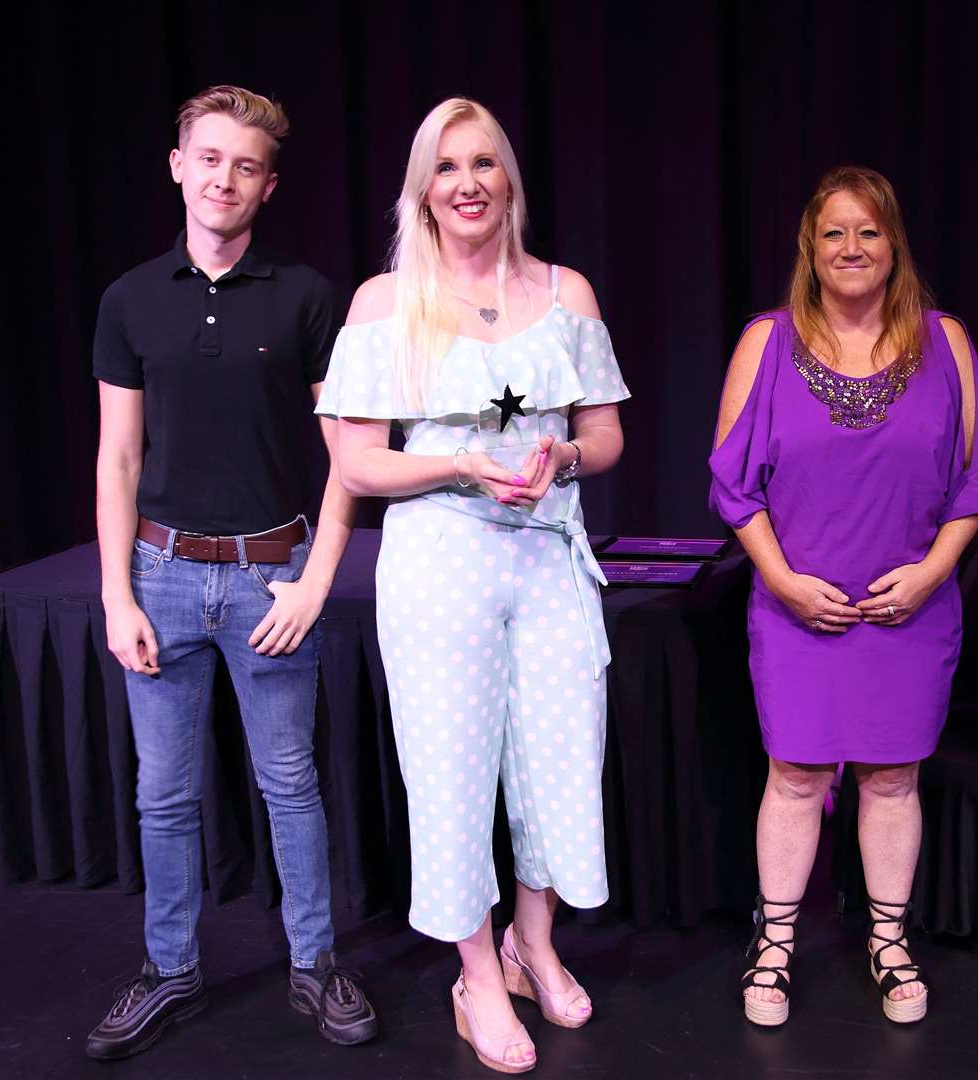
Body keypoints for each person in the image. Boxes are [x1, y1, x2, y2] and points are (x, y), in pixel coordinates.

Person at [319, 97, 627, 1074]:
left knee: (562, 760)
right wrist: (457, 468)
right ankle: (475, 981)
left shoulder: (566, 291)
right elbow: (359, 466)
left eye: (484, 164)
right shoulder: (382, 304)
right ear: (423, 189)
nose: (467, 183)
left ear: (509, 182)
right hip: (439, 559)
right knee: (450, 775)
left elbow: (609, 435)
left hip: (548, 557)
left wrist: (563, 455)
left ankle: (531, 946)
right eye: (447, 167)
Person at [89, 85, 377, 1059]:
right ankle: (168, 970)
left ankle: (314, 964)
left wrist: (314, 580)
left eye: (245, 165)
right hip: (160, 574)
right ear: (177, 165)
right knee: (162, 795)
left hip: (270, 578)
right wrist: (116, 591)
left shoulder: (303, 296)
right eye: (208, 158)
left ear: (268, 185)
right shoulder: (128, 300)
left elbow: (349, 452)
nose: (224, 178)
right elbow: (117, 457)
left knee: (289, 783)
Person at [710, 166, 978, 1026]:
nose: (851, 247)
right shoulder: (764, 342)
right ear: (810, 247)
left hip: (910, 613)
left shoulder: (944, 341)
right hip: (795, 609)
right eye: (833, 232)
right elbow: (735, 489)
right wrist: (780, 580)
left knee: (890, 777)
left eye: (868, 231)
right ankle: (773, 947)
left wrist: (931, 574)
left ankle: (887, 940)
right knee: (796, 777)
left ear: (893, 246)